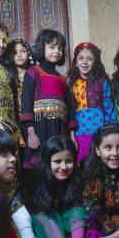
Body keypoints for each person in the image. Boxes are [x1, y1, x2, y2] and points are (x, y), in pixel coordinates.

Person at [24, 136, 102, 238]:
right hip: (43, 225)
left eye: (69, 161)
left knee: (78, 208)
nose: (64, 167)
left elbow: (76, 213)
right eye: (57, 161)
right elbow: (43, 218)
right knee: (44, 214)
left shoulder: (76, 179)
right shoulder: (35, 181)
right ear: (47, 162)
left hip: (62, 225)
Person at [20, 29, 75, 169]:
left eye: (60, 48)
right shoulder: (33, 73)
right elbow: (26, 105)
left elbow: (69, 111)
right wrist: (31, 133)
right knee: (41, 168)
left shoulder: (62, 79)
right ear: (42, 48)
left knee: (58, 164)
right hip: (40, 130)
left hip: (59, 129)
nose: (56, 51)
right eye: (52, 47)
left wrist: (72, 137)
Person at [67, 42, 117, 162]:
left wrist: (110, 130)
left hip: (99, 131)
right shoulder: (72, 83)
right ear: (75, 61)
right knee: (82, 162)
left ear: (96, 62)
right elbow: (70, 112)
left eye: (89, 59)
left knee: (99, 161)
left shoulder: (102, 81)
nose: (84, 62)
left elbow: (109, 107)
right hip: (79, 132)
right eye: (81, 58)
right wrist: (72, 134)